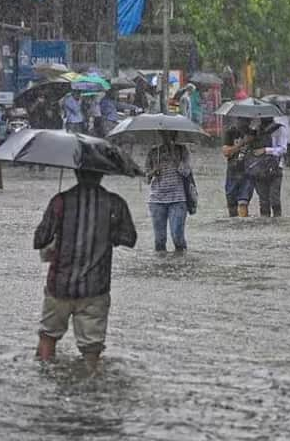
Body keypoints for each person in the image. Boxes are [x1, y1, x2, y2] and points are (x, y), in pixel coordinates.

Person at [33, 169, 137, 371]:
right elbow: (130, 238)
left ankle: (43, 383)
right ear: (102, 174)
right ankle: (91, 389)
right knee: (92, 348)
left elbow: (39, 240)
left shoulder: (60, 202)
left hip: (60, 286)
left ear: (76, 172)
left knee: (48, 336)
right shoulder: (114, 203)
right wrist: (108, 234)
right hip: (95, 288)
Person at [145, 131, 193, 253]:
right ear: (160, 136)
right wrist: (153, 172)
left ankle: (181, 263)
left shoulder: (182, 150)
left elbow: (186, 172)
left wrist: (175, 158)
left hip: (178, 198)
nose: (167, 138)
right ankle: (162, 266)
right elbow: (145, 178)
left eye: (170, 135)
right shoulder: (153, 152)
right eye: (164, 135)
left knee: (177, 237)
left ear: (175, 135)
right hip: (156, 200)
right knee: (159, 240)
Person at [250, 117, 288, 217]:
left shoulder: (279, 129)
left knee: (274, 199)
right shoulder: (255, 130)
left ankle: (277, 220)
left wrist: (266, 150)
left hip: (275, 168)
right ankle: (265, 224)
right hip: (259, 168)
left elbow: (283, 149)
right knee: (263, 201)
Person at [222, 117, 255, 217]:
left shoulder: (253, 133)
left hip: (248, 171)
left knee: (243, 202)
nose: (244, 123)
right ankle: (234, 226)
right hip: (233, 170)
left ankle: (243, 226)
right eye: (242, 120)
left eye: (247, 120)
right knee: (231, 203)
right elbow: (226, 152)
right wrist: (241, 143)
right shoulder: (230, 132)